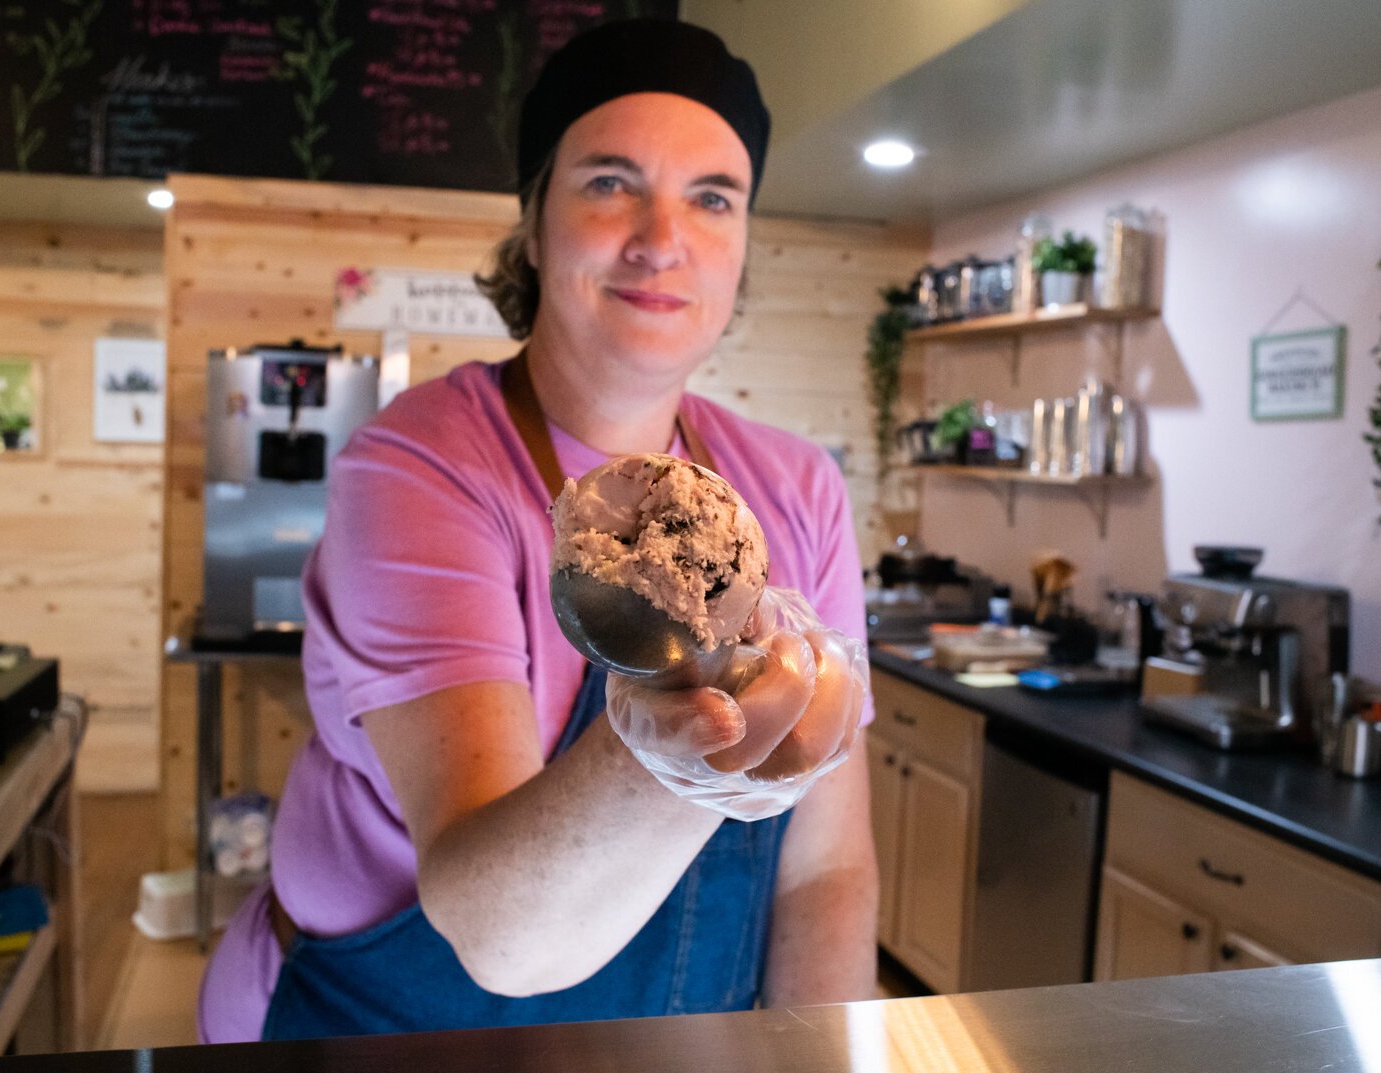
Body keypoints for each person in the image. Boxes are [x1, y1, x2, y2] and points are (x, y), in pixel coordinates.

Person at [198, 17, 878, 1043]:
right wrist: (668, 752)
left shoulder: (796, 488)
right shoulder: (423, 465)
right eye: (610, 182)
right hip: (384, 1031)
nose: (663, 237)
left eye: (712, 197)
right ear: (532, 222)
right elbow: (505, 936)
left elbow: (824, 869)